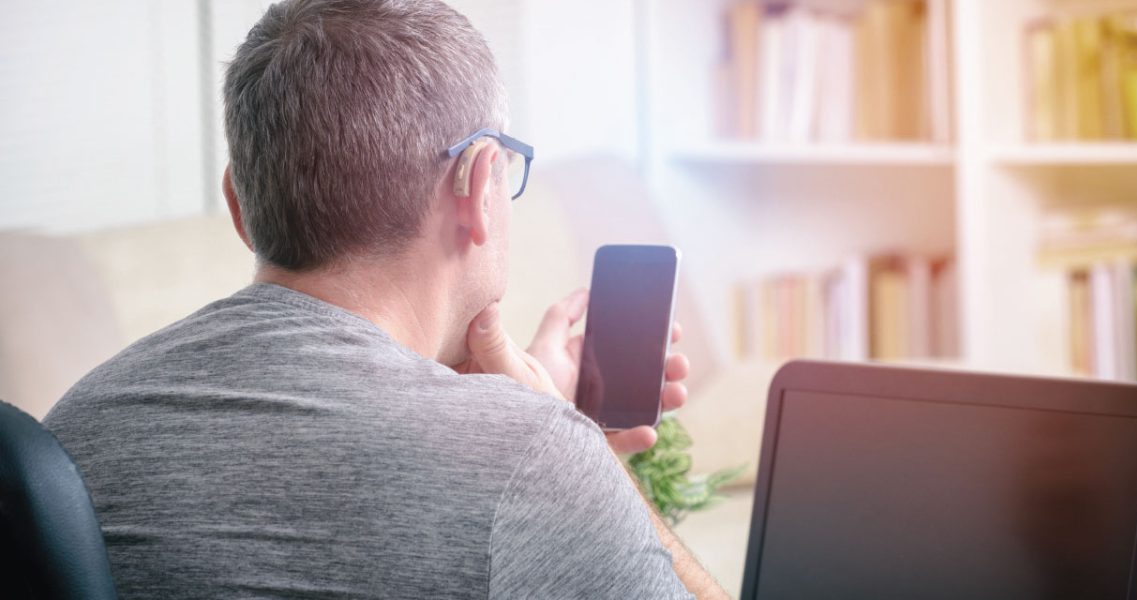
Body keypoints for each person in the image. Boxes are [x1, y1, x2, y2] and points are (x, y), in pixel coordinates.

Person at [44, 0, 727, 598]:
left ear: (239, 205)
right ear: (480, 185)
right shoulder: (535, 457)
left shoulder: (68, 434)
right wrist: (586, 460)